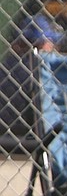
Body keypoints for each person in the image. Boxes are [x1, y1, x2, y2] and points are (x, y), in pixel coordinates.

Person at [0, 15, 63, 150]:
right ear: (41, 43)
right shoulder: (43, 70)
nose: (54, 47)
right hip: (34, 140)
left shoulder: (6, 65)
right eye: (50, 43)